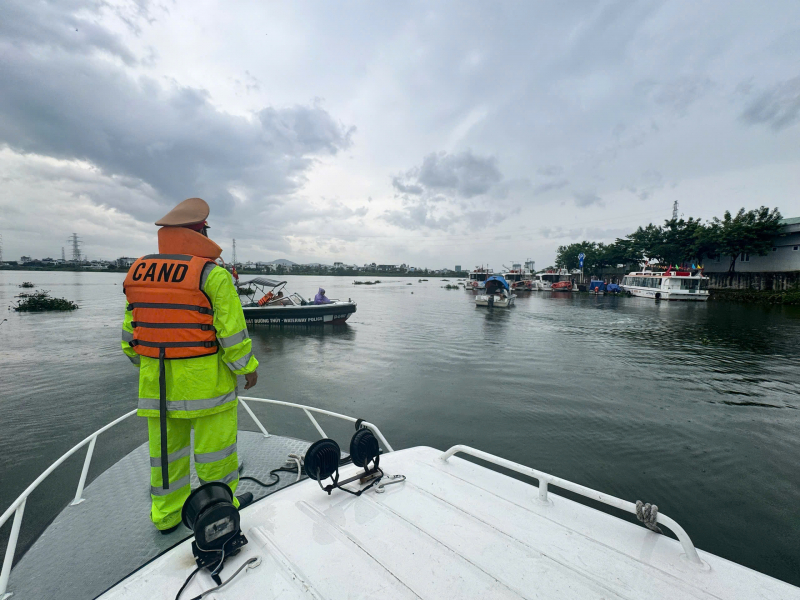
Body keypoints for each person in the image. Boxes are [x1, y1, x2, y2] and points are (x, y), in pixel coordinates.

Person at [121, 197, 259, 534]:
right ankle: (220, 508)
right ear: (199, 231)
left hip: (158, 387)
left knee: (166, 458)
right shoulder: (212, 275)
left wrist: (151, 365)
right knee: (216, 455)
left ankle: (167, 515)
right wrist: (247, 368)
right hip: (207, 386)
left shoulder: (138, 272)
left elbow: (130, 337)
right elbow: (231, 334)